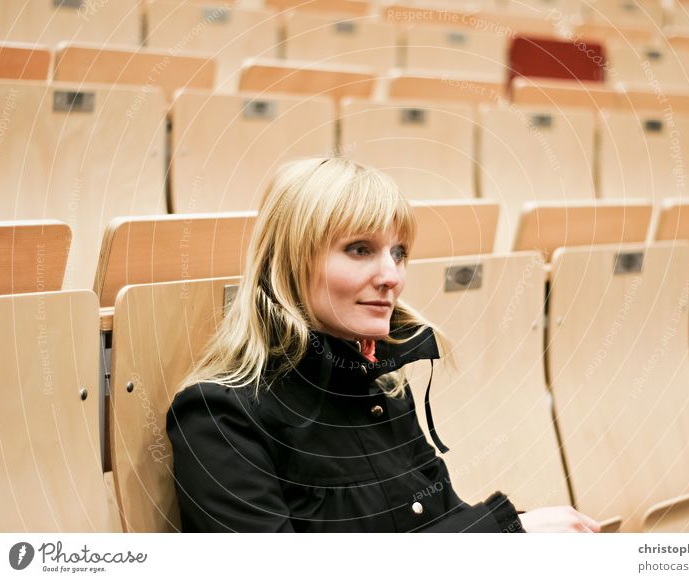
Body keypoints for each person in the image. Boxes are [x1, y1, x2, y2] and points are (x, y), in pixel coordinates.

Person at [166, 157, 601, 533]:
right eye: (359, 249)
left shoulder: (385, 386)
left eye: (399, 252)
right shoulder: (219, 415)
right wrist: (507, 530)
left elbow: (442, 527)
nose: (391, 276)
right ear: (290, 260)